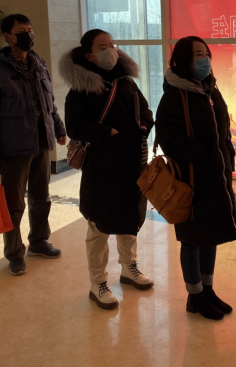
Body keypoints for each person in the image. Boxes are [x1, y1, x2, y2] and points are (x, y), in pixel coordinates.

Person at [61, 30, 155, 310]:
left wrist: (144, 126)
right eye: (103, 47)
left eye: (112, 45)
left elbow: (145, 109)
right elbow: (74, 127)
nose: (111, 50)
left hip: (131, 163)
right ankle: (98, 282)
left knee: (129, 218)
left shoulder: (126, 81)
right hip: (101, 167)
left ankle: (129, 267)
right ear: (89, 55)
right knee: (99, 225)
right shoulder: (81, 89)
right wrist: (108, 133)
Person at [155, 36, 236, 321]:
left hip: (216, 178)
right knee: (192, 240)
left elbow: (223, 129)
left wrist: (226, 155)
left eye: (205, 54)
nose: (203, 60)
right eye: (197, 55)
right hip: (191, 179)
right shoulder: (174, 96)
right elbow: (167, 137)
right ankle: (195, 296)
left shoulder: (210, 89)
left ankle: (207, 289)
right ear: (182, 60)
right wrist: (199, 153)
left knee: (210, 234)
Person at [0, 13, 67, 276]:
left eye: (30, 29)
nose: (28, 35)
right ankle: (15, 253)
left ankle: (38, 241)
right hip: (13, 144)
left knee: (41, 197)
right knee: (13, 203)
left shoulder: (38, 63)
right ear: (7, 36)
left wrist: (58, 128)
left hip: (41, 140)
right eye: (21, 31)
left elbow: (49, 102)